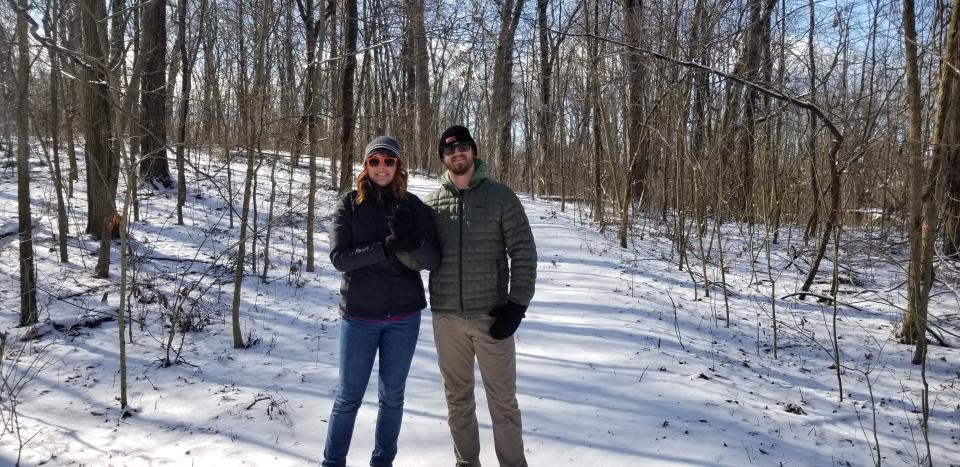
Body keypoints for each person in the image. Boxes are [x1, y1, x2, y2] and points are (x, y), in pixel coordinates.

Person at [424, 125, 537, 467]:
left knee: (502, 401)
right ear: (443, 157)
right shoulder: (431, 204)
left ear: (473, 150)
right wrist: (401, 241)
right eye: (449, 149)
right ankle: (466, 463)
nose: (456, 153)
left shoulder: (501, 197)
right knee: (457, 400)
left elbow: (524, 253)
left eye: (462, 146)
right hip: (447, 319)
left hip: (492, 318)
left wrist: (516, 305)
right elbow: (419, 258)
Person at [324, 135, 439, 467]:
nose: (382, 167)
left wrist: (413, 240)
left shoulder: (413, 206)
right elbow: (340, 258)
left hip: (403, 317)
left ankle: (382, 461)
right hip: (359, 315)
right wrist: (385, 247)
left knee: (392, 398)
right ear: (366, 166)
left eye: (389, 160)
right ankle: (333, 462)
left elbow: (433, 260)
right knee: (348, 397)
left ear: (398, 165)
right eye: (375, 161)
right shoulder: (349, 203)